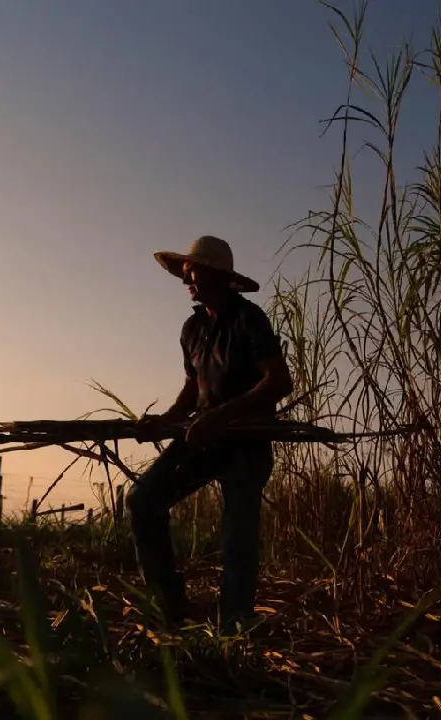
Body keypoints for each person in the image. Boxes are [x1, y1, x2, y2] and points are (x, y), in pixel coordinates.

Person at [127, 235, 294, 632]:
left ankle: (234, 622)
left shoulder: (249, 319)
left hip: (246, 441)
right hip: (202, 435)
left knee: (237, 534)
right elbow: (192, 388)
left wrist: (221, 417)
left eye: (193, 271)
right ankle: (168, 605)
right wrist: (164, 422)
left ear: (217, 275)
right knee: (142, 499)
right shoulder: (192, 328)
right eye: (185, 272)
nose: (186, 277)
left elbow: (278, 381)